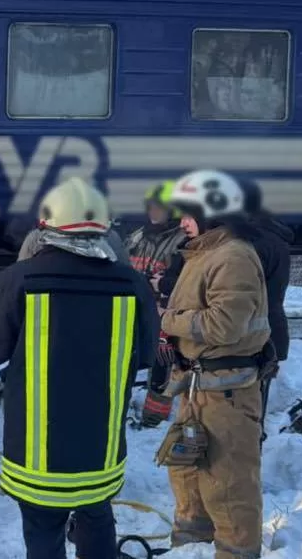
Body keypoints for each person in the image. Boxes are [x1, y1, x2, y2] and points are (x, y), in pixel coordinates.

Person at [0, 177, 159, 559]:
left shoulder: (19, 279)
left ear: (46, 227)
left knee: (43, 532)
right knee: (97, 517)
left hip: (37, 457)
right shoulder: (133, 284)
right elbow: (144, 356)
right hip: (100, 452)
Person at [160, 169, 271, 559]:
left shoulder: (234, 256)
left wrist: (168, 320)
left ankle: (236, 552)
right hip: (199, 387)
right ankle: (190, 547)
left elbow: (225, 325)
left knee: (228, 483)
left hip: (227, 392)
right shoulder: (205, 252)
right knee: (187, 473)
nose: (182, 221)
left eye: (189, 213)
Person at [124, 181, 189, 429]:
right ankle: (122, 403)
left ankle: (154, 418)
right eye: (150, 207)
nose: (153, 212)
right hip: (134, 308)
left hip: (164, 312)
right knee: (126, 358)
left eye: (159, 208)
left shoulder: (182, 240)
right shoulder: (139, 235)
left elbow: (184, 281)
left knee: (162, 363)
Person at [236, 177, 292, 445]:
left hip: (253, 334)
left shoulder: (252, 244)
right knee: (257, 402)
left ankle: (245, 458)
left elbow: (240, 293)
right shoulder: (276, 239)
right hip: (273, 330)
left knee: (243, 408)